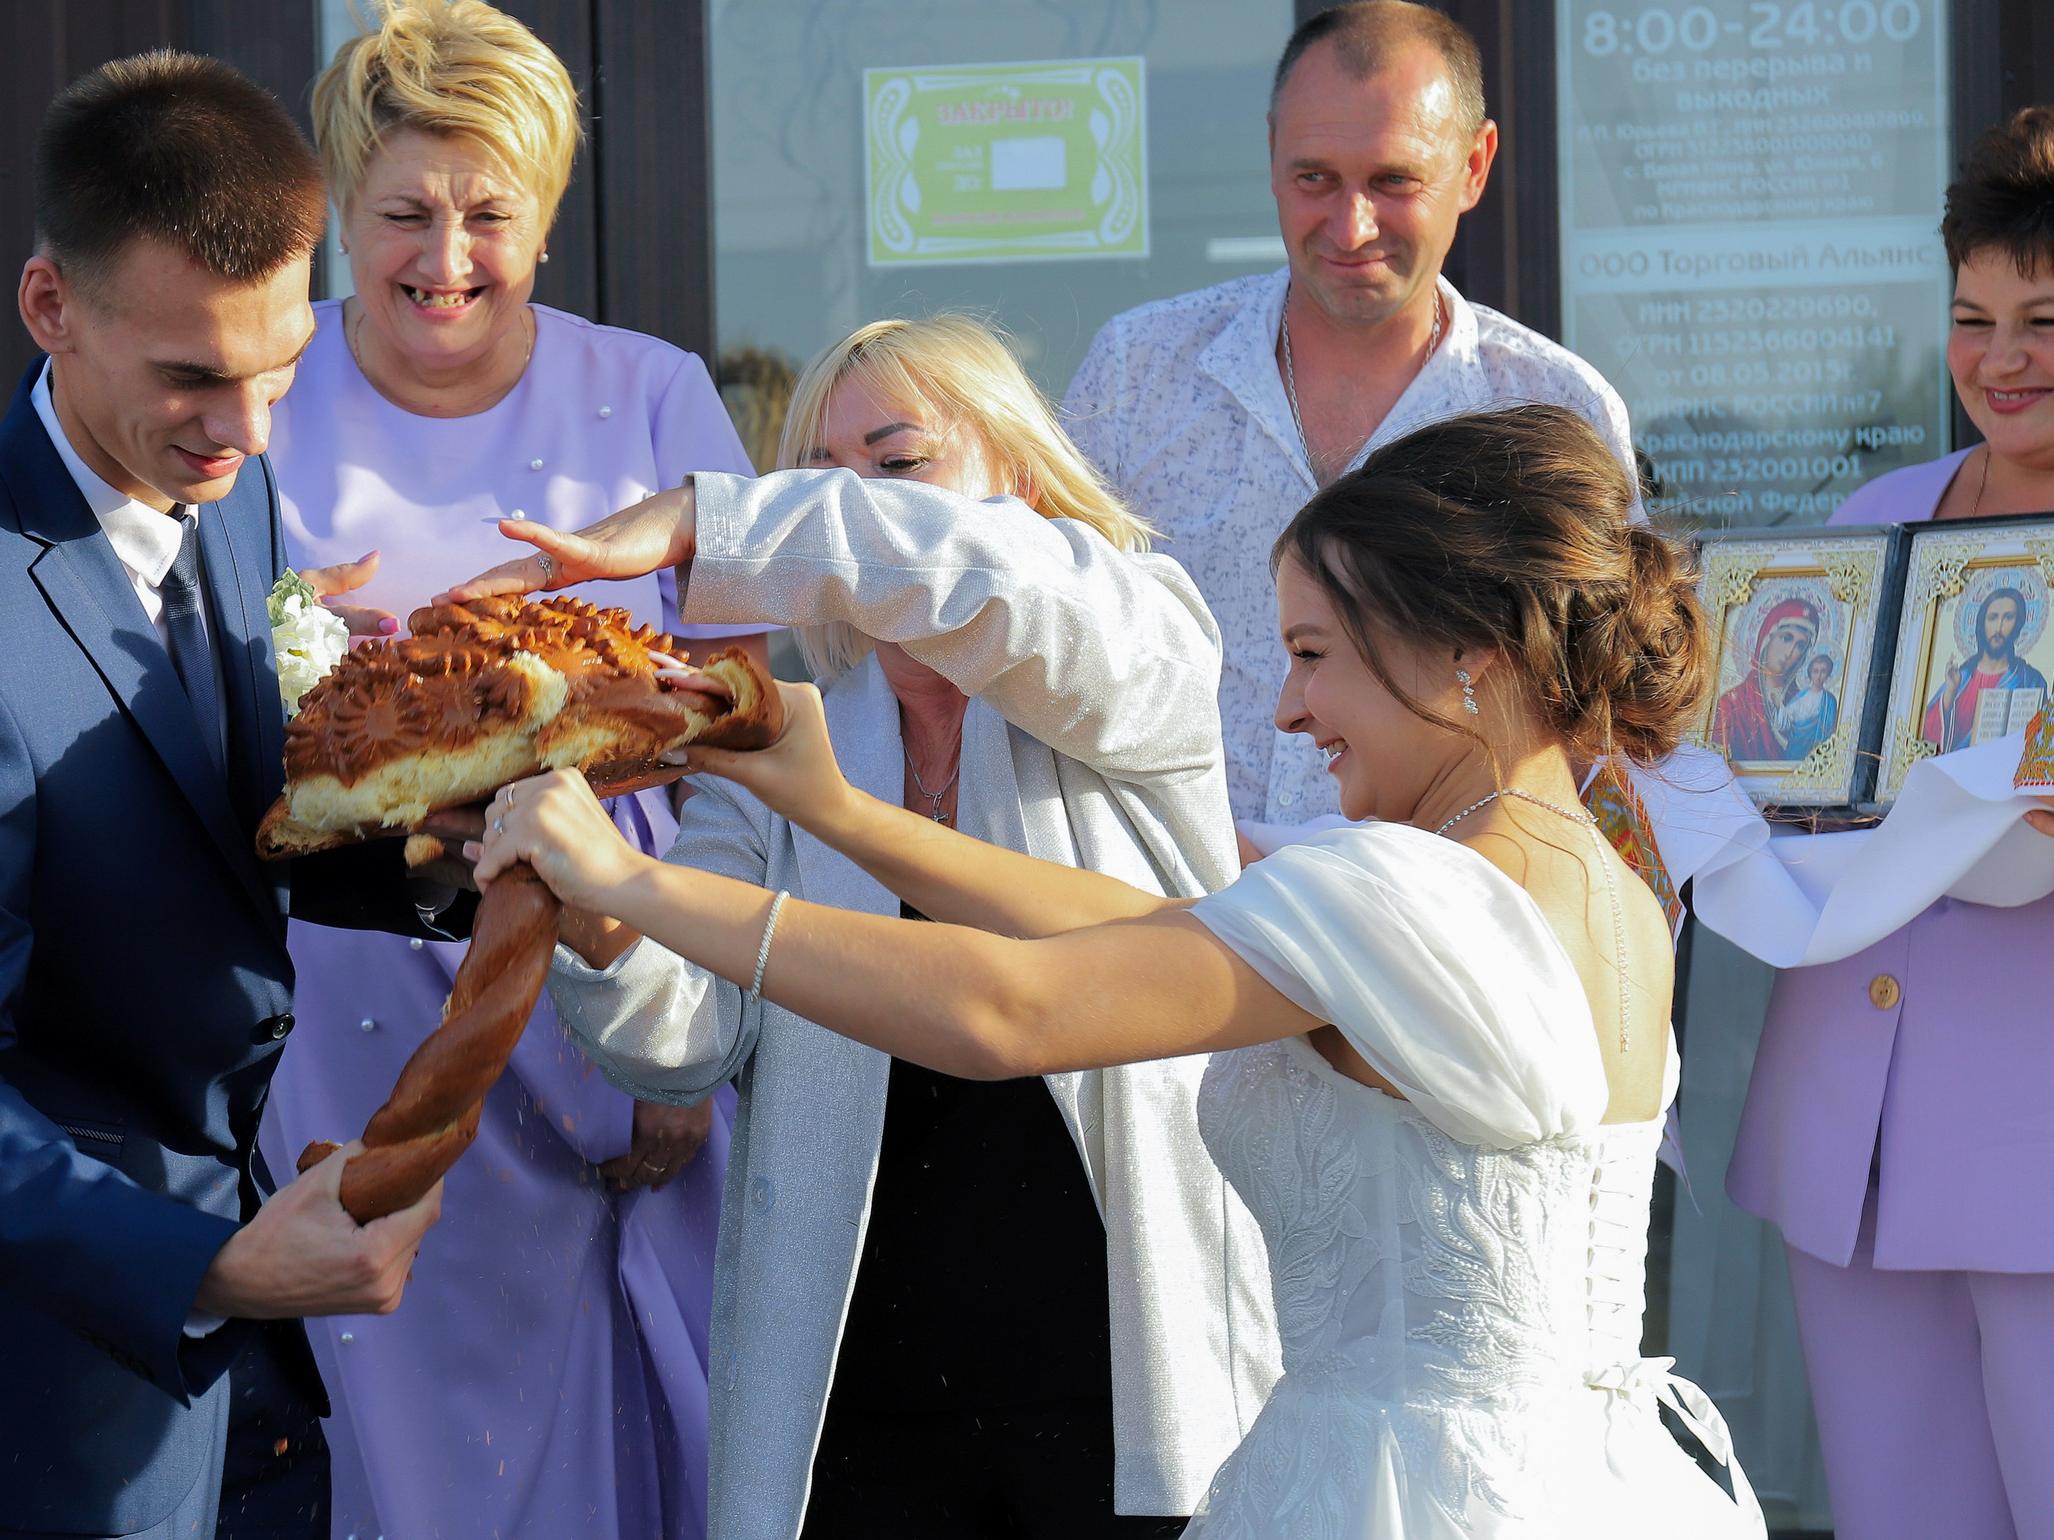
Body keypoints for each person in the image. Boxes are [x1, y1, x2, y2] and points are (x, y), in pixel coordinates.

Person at [468, 405, 1761, 1538]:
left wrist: (633, 882)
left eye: (1314, 654)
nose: (1287, 711)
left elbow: (1004, 1005)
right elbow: (1152, 920)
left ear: (1463, 649)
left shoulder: (1400, 887)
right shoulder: (1603, 882)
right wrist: (853, 818)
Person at [445, 314, 1275, 1537]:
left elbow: (996, 583)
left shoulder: (1138, 637)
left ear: (1023, 482)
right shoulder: (778, 736)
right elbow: (677, 1045)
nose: (855, 514)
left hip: (1126, 1376)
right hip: (858, 1393)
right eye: (819, 479)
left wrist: (702, 518)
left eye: (897, 464)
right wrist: (596, 918)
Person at [0, 53, 460, 1540]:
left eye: (280, 370)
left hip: (247, 1366)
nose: (243, 428)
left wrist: (453, 832)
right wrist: (211, 1267)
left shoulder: (219, 492)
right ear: (53, 308)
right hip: (44, 1392)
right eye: (192, 376)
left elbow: (236, 815)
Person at [260, 0, 767, 1540]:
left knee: (647, 1434)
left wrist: (702, 1026)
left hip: (620, 989)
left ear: (546, 216)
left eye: (491, 212)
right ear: (347, 205)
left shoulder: (658, 391)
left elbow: (746, 725)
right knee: (394, 1450)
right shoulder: (263, 396)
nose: (447, 258)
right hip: (333, 1029)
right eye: (406, 211)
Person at [1063, 0, 1635, 830]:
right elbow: (1054, 652)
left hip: (1429, 932)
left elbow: (1599, 734)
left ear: (1475, 167)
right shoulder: (1138, 372)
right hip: (1169, 921)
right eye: (1314, 179)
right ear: (1269, 155)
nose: (1350, 224)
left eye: (1394, 180)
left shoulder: (1552, 409)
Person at [1729, 105, 2054, 1540]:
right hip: (1850, 1142)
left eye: (2044, 318)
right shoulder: (1878, 511)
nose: (2001, 359)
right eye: (1974, 316)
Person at [1920, 584, 2048, 753]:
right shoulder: (1961, 678)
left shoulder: (2030, 680)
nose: (1998, 627)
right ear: (1982, 623)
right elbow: (1929, 741)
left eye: (2008, 617)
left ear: (2018, 624)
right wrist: (1950, 693)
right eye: (1992, 618)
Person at [1714, 599, 1820, 763]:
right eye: (1786, 638)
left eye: (1800, 645)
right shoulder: (1732, 704)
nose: (1789, 652)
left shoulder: (1802, 705)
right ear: (1767, 638)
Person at [1779, 652, 1841, 761]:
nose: (1818, 676)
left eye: (1823, 671)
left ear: (1828, 674)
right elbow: (1787, 719)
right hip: (1795, 745)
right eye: (1815, 671)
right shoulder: (1801, 697)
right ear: (1810, 673)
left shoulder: (1830, 700)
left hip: (1817, 751)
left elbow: (1830, 729)